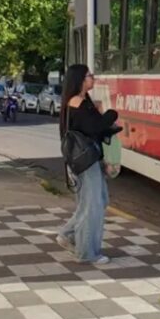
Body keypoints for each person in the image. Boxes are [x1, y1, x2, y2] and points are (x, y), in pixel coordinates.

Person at [57, 64, 121, 265]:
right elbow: (95, 126)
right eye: (89, 76)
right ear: (80, 80)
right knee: (92, 205)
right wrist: (111, 114)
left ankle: (68, 234)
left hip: (88, 159)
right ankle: (86, 253)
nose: (93, 78)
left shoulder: (81, 102)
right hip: (86, 162)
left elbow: (94, 129)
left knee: (98, 201)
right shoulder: (78, 103)